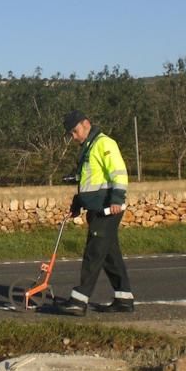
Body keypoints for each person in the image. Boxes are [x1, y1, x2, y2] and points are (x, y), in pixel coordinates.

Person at [58, 109, 135, 316]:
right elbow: (89, 182)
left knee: (93, 253)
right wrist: (78, 204)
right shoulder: (89, 148)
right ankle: (124, 299)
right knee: (109, 255)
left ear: (86, 124)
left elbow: (118, 172)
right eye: (71, 134)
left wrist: (118, 199)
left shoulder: (104, 144)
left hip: (108, 209)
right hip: (96, 208)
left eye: (74, 132)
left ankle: (79, 300)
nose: (73, 137)